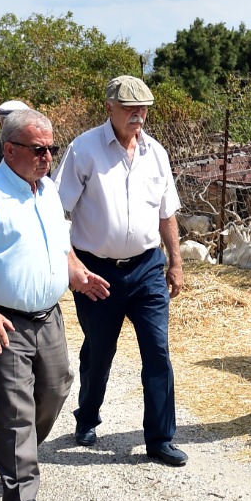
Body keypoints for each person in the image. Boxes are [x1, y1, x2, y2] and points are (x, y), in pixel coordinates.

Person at [0, 108, 110, 501]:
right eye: (38, 149)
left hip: (48, 315)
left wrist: (77, 273)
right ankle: (19, 490)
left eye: (52, 148)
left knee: (54, 390)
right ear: (9, 149)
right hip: (2, 318)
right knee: (16, 404)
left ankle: (13, 452)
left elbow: (62, 244)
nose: (48, 157)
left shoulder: (48, 191)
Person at [55, 75, 187, 466]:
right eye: (130, 107)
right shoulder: (84, 150)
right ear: (109, 106)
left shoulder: (156, 153)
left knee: (158, 352)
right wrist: (71, 264)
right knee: (100, 350)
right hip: (96, 271)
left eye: (143, 107)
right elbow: (54, 211)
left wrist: (175, 262)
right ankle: (88, 415)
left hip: (147, 267)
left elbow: (167, 213)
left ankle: (160, 439)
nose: (138, 115)